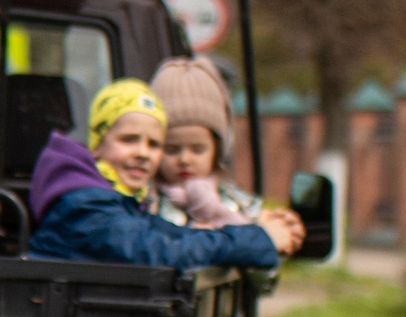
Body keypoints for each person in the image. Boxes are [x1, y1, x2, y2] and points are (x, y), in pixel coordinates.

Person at [29, 80, 300, 266]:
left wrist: (255, 228)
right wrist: (260, 239)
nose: (143, 153)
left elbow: (173, 235)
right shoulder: (84, 205)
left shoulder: (120, 202)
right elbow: (160, 250)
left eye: (154, 144)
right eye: (128, 139)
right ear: (98, 144)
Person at [151, 56, 265, 228]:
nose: (184, 159)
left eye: (197, 149)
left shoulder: (241, 206)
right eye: (172, 149)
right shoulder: (146, 206)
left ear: (218, 149)